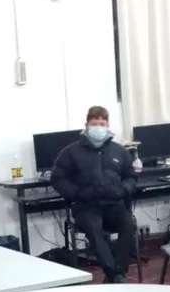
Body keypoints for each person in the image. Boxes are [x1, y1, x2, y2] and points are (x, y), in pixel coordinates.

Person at [51, 106, 138, 282]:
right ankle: (115, 275)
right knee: (94, 228)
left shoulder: (119, 151)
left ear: (107, 126)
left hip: (114, 205)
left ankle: (118, 273)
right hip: (86, 207)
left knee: (128, 224)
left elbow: (131, 176)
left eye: (102, 123)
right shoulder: (71, 152)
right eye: (94, 123)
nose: (98, 127)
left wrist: (123, 189)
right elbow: (58, 179)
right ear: (87, 125)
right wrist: (78, 193)